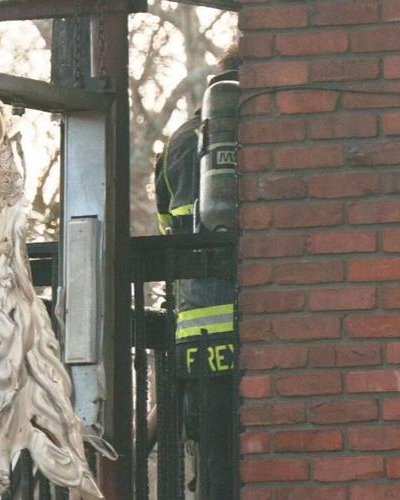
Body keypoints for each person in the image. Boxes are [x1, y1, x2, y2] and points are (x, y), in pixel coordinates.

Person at [153, 45, 240, 499]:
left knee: (211, 465)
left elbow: (169, 232)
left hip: (196, 341)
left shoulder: (177, 144)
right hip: (251, 329)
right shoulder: (254, 126)